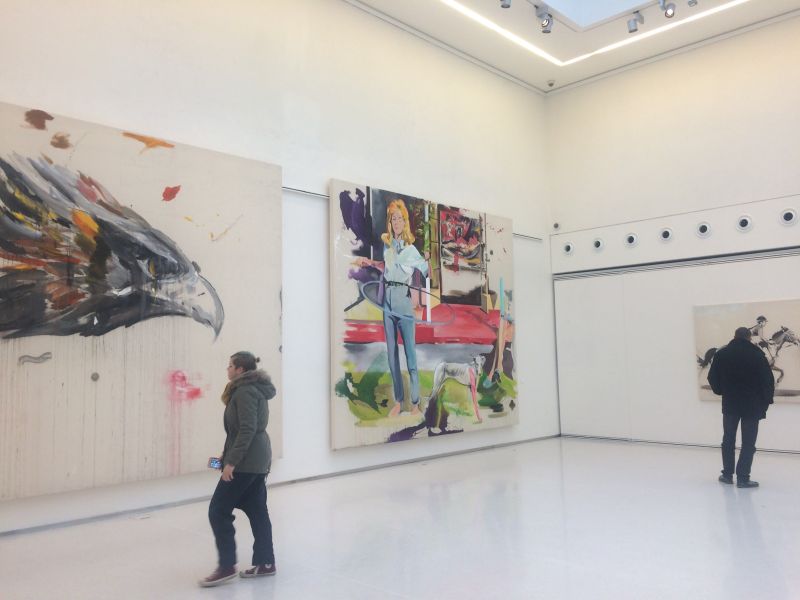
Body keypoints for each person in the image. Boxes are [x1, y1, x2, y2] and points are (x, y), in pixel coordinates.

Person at [199, 352, 277, 587]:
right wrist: (226, 456)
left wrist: (231, 463)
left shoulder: (244, 391)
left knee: (218, 510)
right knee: (257, 511)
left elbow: (247, 429)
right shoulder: (253, 389)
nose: (228, 369)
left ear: (240, 370)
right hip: (256, 459)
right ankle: (265, 563)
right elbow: (240, 431)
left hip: (246, 462)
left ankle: (226, 567)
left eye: (230, 365)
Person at [355, 199, 429, 417]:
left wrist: (425, 261)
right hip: (387, 303)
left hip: (403, 303)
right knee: (392, 355)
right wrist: (370, 262)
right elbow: (386, 268)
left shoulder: (411, 250)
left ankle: (414, 403)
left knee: (410, 355)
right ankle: (398, 401)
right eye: (393, 218)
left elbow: (426, 272)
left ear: (405, 222)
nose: (396, 222)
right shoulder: (388, 247)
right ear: (390, 222)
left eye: (399, 218)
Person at [707, 327, 774, 488]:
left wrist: (721, 391)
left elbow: (712, 377)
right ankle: (743, 478)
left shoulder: (722, 354)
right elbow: (768, 381)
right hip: (752, 406)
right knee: (748, 442)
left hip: (730, 403)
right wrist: (766, 402)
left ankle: (727, 475)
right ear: (749, 338)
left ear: (734, 336)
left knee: (728, 439)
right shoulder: (757, 355)